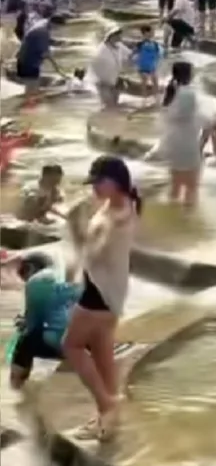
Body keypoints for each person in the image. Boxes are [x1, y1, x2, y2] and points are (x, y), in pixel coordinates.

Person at [62, 154, 140, 439]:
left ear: (115, 182)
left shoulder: (115, 220)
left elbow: (93, 253)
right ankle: (107, 420)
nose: (94, 188)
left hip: (99, 295)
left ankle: (106, 404)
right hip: (112, 291)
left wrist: (74, 228)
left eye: (98, 182)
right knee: (103, 353)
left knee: (71, 346)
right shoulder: (125, 203)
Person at [9, 251, 81, 391]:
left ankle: (16, 387)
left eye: (23, 275)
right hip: (89, 342)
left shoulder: (38, 280)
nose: (25, 281)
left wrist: (25, 324)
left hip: (62, 344)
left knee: (24, 343)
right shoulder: (70, 276)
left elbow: (33, 325)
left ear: (30, 268)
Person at [159, 59, 206, 206]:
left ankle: (171, 217)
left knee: (176, 183)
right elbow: (187, 115)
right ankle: (187, 220)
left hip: (172, 140)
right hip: (186, 140)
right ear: (188, 74)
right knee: (192, 186)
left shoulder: (172, 89)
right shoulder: (188, 93)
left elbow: (170, 114)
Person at [15, 17, 61, 84]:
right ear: (55, 24)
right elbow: (45, 54)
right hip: (29, 63)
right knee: (31, 86)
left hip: (22, 59)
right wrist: (57, 68)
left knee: (25, 85)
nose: (57, 29)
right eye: (58, 27)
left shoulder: (42, 23)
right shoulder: (43, 32)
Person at [89, 29, 127, 107]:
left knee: (115, 104)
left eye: (119, 34)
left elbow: (130, 55)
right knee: (108, 106)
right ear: (110, 36)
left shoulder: (119, 46)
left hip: (115, 80)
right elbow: (95, 67)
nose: (119, 36)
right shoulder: (100, 51)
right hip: (103, 83)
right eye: (117, 34)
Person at [133, 24, 162, 99]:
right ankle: (144, 100)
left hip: (152, 66)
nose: (153, 33)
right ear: (146, 33)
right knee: (144, 84)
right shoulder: (140, 44)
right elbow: (134, 54)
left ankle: (156, 99)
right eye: (152, 32)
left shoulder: (155, 44)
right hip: (143, 67)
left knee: (155, 83)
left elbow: (158, 54)